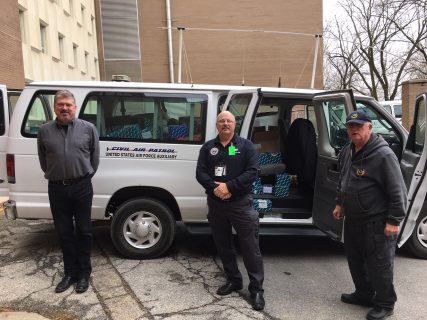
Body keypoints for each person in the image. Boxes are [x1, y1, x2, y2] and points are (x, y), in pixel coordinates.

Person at [332, 110, 407, 320]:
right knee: (355, 260)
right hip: (353, 218)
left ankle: (385, 303)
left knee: (379, 264)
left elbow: (397, 190)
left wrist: (394, 220)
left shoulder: (383, 154)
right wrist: (340, 203)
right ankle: (364, 294)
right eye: (350, 126)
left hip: (377, 220)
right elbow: (343, 179)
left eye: (359, 125)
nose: (354, 129)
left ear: (370, 127)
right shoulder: (348, 150)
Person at [196, 111, 265, 311]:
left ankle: (257, 290)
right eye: (222, 121)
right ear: (216, 125)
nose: (225, 124)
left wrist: (229, 187)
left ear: (235, 124)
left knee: (250, 247)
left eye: (229, 121)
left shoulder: (246, 146)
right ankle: (234, 280)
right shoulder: (208, 148)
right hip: (216, 204)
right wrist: (216, 188)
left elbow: (252, 172)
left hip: (240, 204)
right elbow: (200, 172)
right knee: (223, 245)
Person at [37, 90, 100, 294]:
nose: (64, 108)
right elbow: (43, 160)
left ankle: (84, 274)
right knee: (64, 233)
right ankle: (69, 273)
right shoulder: (44, 131)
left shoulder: (88, 129)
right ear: (55, 107)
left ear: (75, 107)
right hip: (56, 188)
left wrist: (83, 177)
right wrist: (56, 174)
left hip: (82, 187)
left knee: (84, 231)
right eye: (60, 104)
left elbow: (94, 158)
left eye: (68, 105)